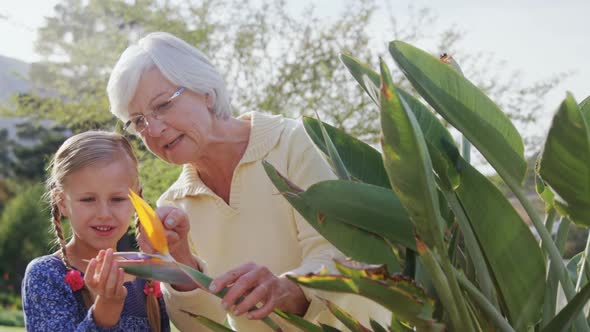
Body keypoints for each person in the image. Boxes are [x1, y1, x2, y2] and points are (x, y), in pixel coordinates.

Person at [106, 32, 389, 331]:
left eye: (162, 105)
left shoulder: (297, 144)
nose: (154, 129)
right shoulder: (172, 205)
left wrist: (288, 290)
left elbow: (344, 254)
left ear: (206, 92)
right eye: (138, 121)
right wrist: (181, 261)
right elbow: (202, 326)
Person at [22, 131, 170, 332]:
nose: (104, 214)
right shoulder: (47, 274)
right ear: (62, 202)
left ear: (136, 199)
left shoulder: (147, 274)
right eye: (88, 200)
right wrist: (105, 311)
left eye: (117, 199)